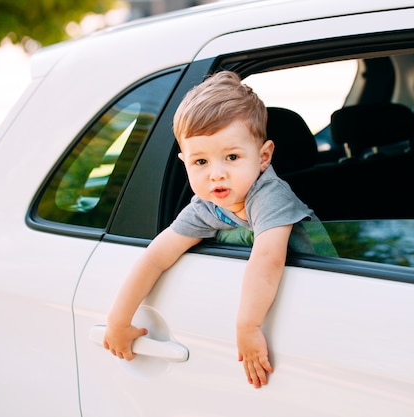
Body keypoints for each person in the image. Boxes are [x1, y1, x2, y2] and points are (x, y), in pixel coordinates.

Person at [103, 70, 319, 389]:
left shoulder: (269, 195)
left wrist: (248, 326)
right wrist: (118, 321)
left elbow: (267, 259)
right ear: (184, 162)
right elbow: (156, 258)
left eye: (231, 157)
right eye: (200, 162)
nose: (216, 175)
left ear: (263, 157)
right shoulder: (207, 207)